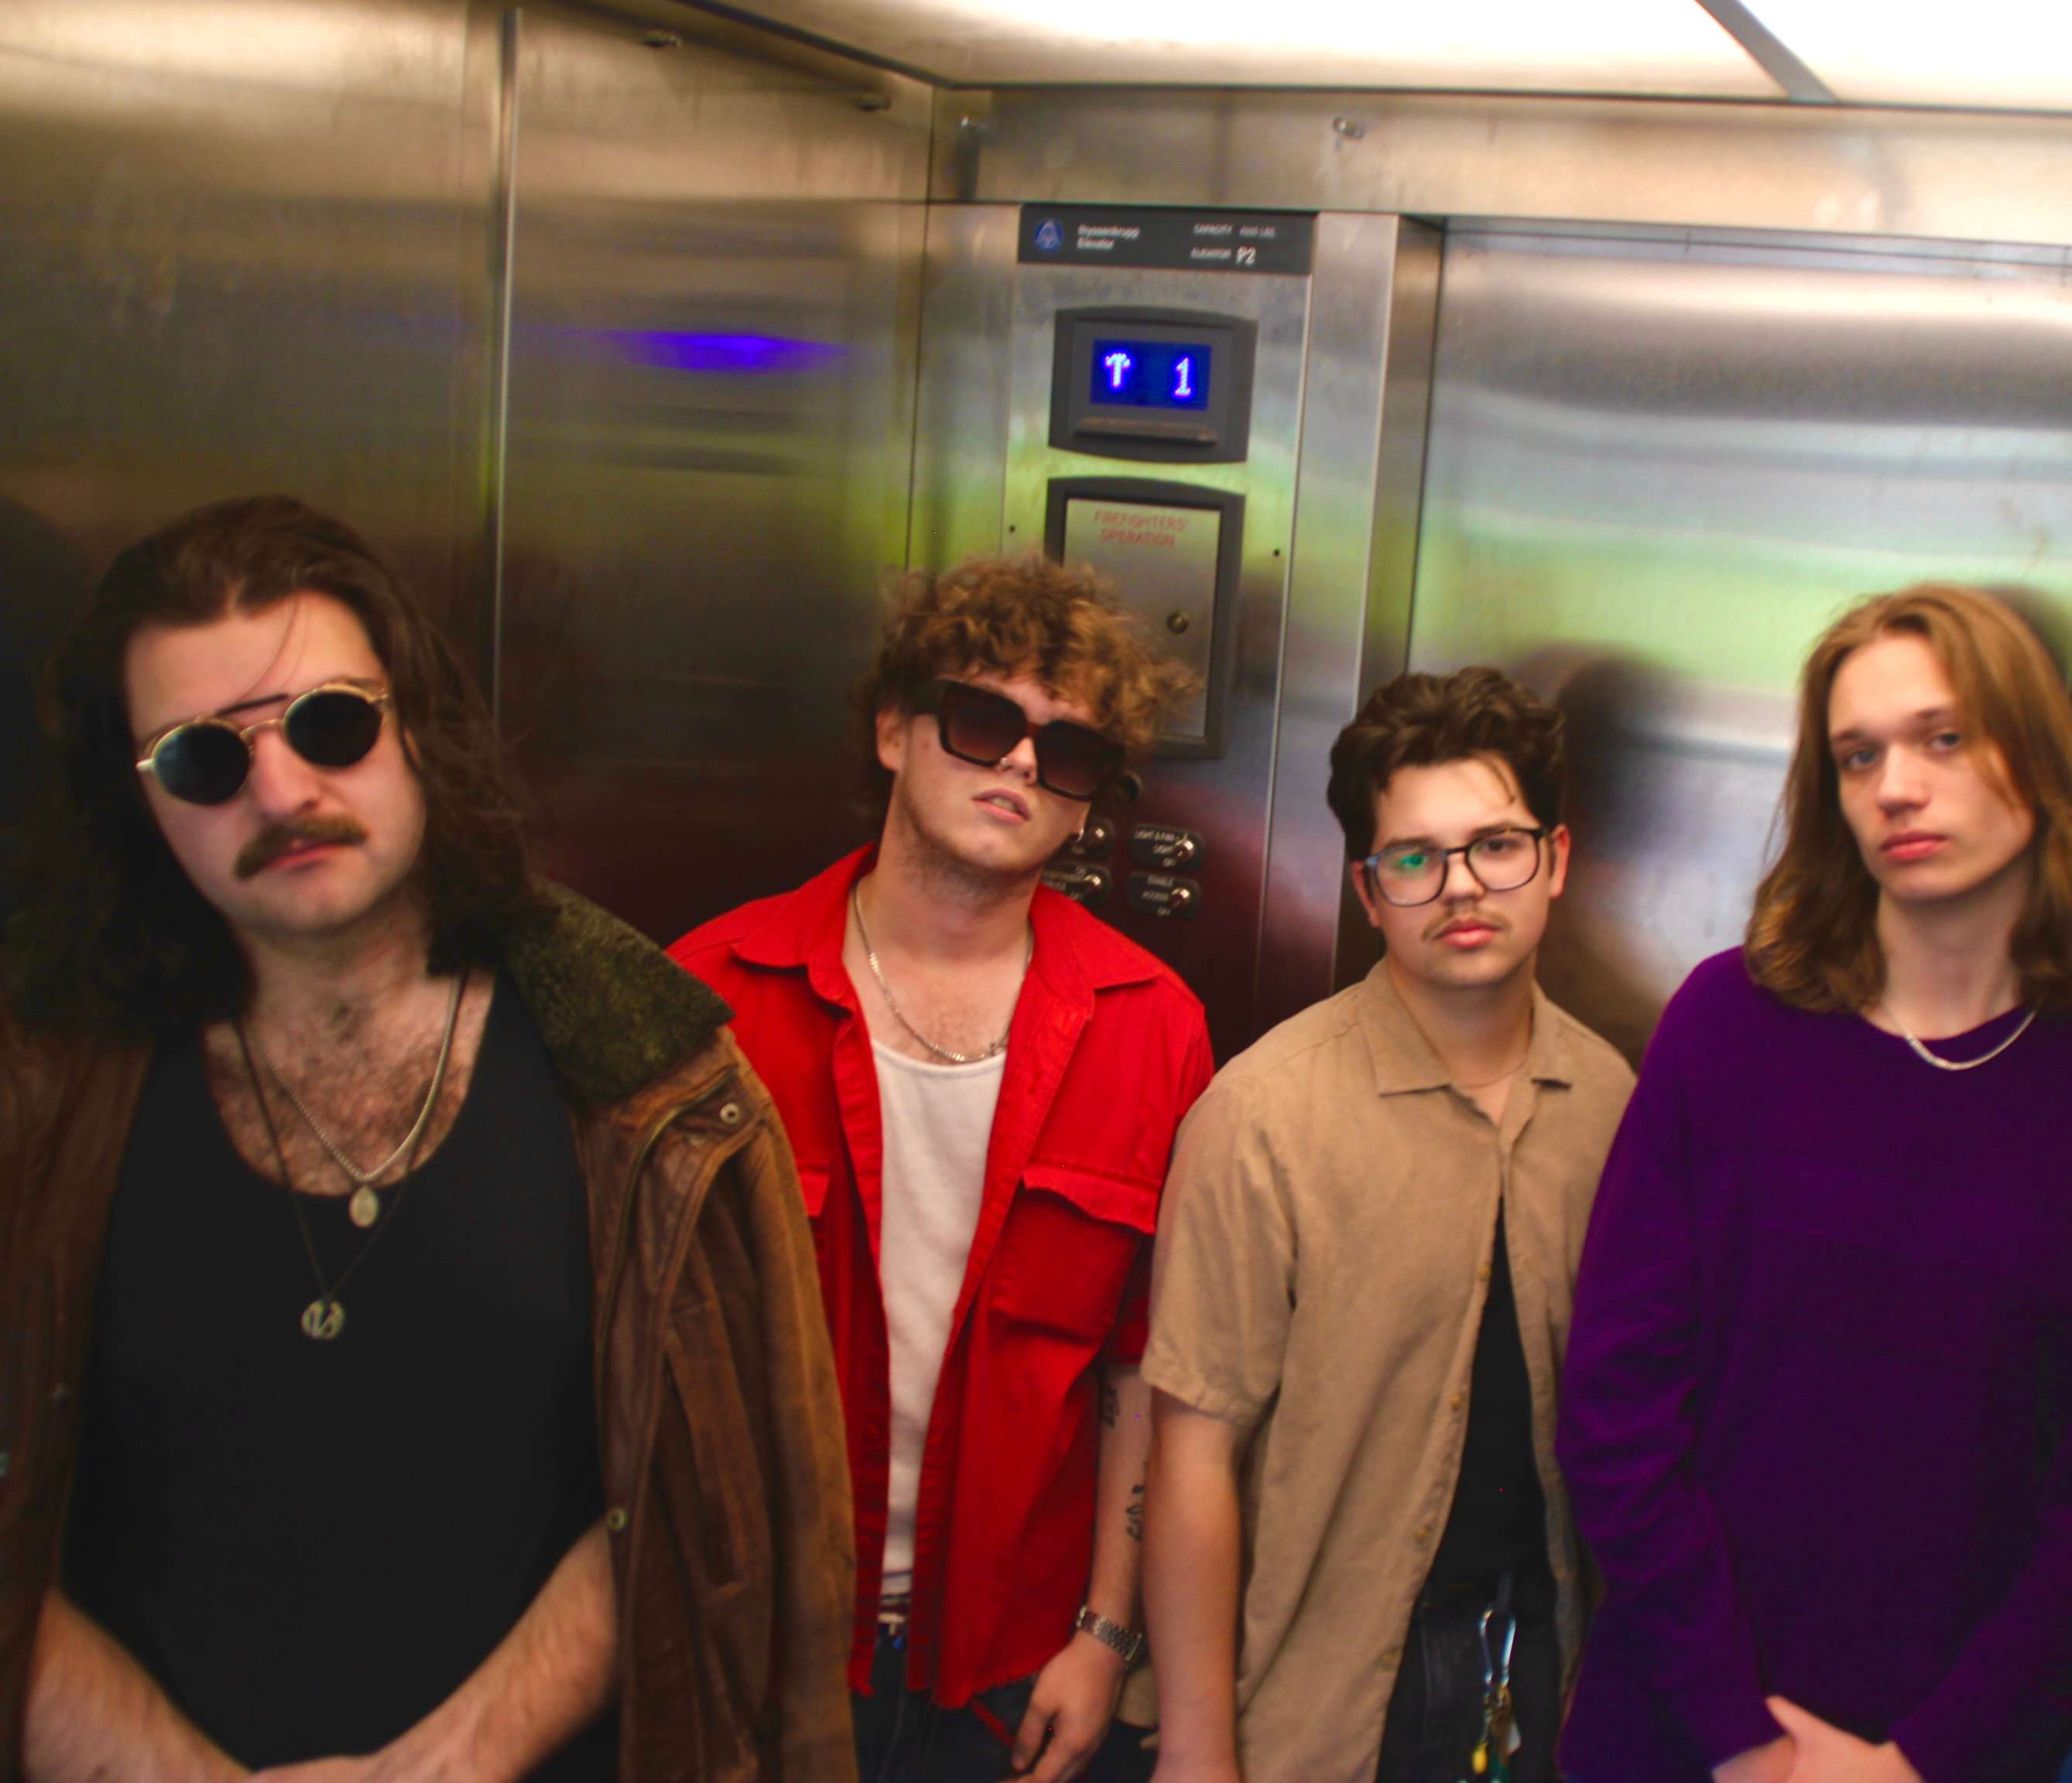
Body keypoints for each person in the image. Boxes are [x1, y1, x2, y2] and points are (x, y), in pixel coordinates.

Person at [2, 495, 854, 1781]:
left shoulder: (648, 1090)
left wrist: (442, 1765)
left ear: (417, 728)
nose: (282, 788)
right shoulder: (42, 1094)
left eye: (331, 724)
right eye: (200, 758)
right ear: (140, 806)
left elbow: (695, 1487)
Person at [1558, 581, 2072, 1783]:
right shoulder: (1726, 1027)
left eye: (1943, 738)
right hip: (1676, 1731)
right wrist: (1740, 1737)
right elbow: (1617, 1413)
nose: (1896, 787)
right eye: (1856, 754)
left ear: (2036, 754)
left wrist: (1923, 1763)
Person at [671, 554, 1211, 1783]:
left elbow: (1141, 1363)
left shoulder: (1150, 1025)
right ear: (892, 731)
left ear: (1088, 802)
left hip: (1019, 1670)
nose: (1022, 765)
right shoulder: (715, 995)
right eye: (984, 722)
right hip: (763, 1644)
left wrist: (1106, 1636)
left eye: (1066, 752)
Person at [1141, 666, 1635, 1783]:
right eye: (1415, 859)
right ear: (1369, 893)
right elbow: (1192, 1455)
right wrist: (1194, 1749)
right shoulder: (1261, 1117)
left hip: (1544, 1672)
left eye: (1496, 846)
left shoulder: (1614, 1105)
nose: (1461, 888)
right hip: (1324, 1701)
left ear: (1556, 860)